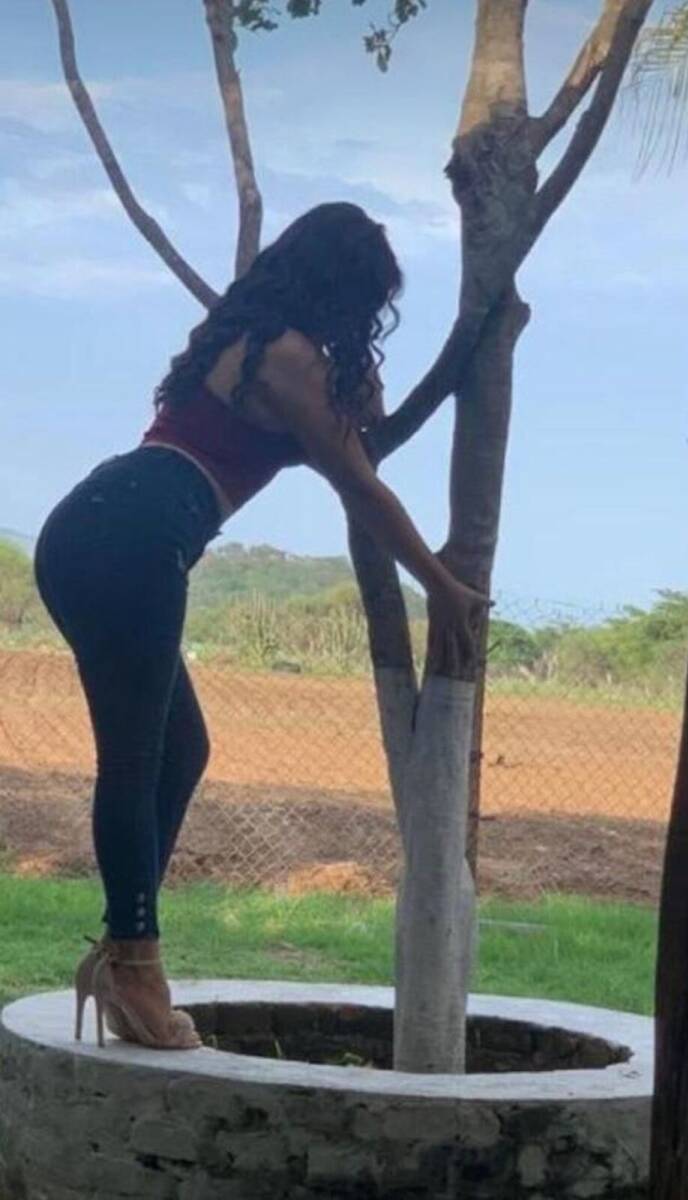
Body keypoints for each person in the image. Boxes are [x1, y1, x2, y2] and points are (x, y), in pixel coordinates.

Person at [33, 202, 488, 1051]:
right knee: (135, 758)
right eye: (367, 300)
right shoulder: (286, 357)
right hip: (132, 537)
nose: (368, 318)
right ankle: (134, 966)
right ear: (343, 288)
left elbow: (365, 433)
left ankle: (124, 953)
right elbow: (362, 484)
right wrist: (443, 587)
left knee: (180, 749)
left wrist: (357, 379)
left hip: (101, 525)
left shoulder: (257, 343)